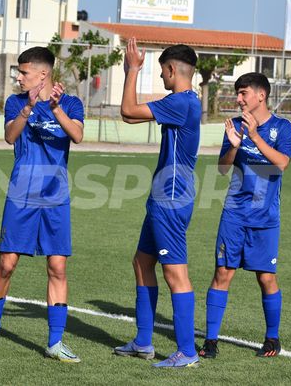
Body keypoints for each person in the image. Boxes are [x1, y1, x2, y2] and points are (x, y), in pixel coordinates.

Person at [0, 46, 84, 362]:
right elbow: (10, 137)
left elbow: (77, 135)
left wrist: (56, 110)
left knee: (57, 267)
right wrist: (29, 108)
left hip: (55, 198)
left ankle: (55, 342)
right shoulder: (15, 102)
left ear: (43, 73)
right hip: (21, 195)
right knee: (7, 264)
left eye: (23, 72)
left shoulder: (71, 103)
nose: (19, 77)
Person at [113, 38, 202, 368]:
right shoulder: (184, 102)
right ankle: (143, 341)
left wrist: (132, 70)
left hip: (172, 199)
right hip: (163, 197)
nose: (161, 76)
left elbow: (127, 110)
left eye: (162, 70)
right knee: (142, 262)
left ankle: (187, 352)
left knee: (175, 273)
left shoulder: (180, 103)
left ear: (171, 69)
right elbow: (131, 118)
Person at [198, 72, 291, 360]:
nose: (238, 99)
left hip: (265, 218)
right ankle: (210, 341)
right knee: (222, 273)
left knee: (266, 278)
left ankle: (272, 338)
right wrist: (234, 145)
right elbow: (223, 168)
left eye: (243, 93)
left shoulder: (282, 127)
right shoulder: (235, 126)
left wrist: (253, 137)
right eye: (237, 93)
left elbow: (282, 164)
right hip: (234, 214)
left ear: (261, 95)